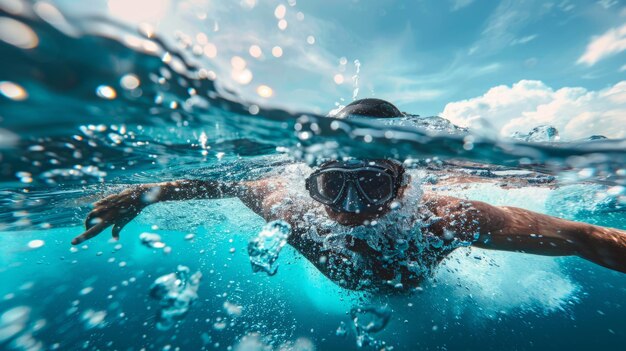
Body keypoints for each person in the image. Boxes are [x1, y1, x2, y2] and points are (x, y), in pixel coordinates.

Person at [72, 99, 626, 292]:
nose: (353, 204)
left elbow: (582, 237)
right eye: (334, 183)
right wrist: (144, 193)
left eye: (375, 182)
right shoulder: (284, 204)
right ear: (309, 181)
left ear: (406, 180)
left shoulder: (447, 217)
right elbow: (223, 180)